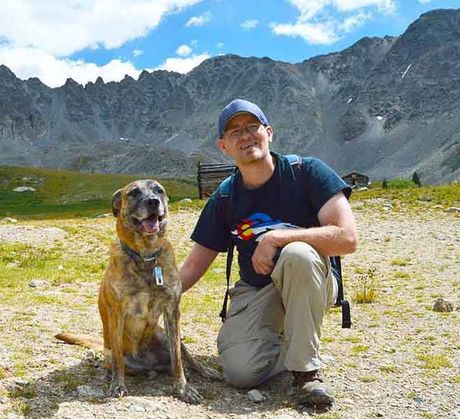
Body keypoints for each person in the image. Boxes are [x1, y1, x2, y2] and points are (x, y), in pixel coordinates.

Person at [179, 99, 357, 409]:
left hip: (312, 279)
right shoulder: (224, 196)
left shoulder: (307, 172)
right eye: (235, 132)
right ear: (224, 146)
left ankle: (306, 374)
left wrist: (277, 238)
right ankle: (293, 341)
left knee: (297, 254)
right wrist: (151, 298)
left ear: (269, 132)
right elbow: (195, 264)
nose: (245, 136)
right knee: (241, 372)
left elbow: (347, 238)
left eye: (252, 127)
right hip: (257, 290)